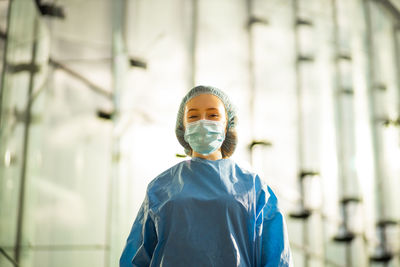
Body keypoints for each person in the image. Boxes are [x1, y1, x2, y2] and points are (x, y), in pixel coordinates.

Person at [120, 85, 293, 267]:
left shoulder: (253, 187)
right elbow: (135, 258)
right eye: (193, 116)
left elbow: (276, 258)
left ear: (227, 124)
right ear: (183, 126)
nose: (203, 122)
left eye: (213, 115)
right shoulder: (161, 187)